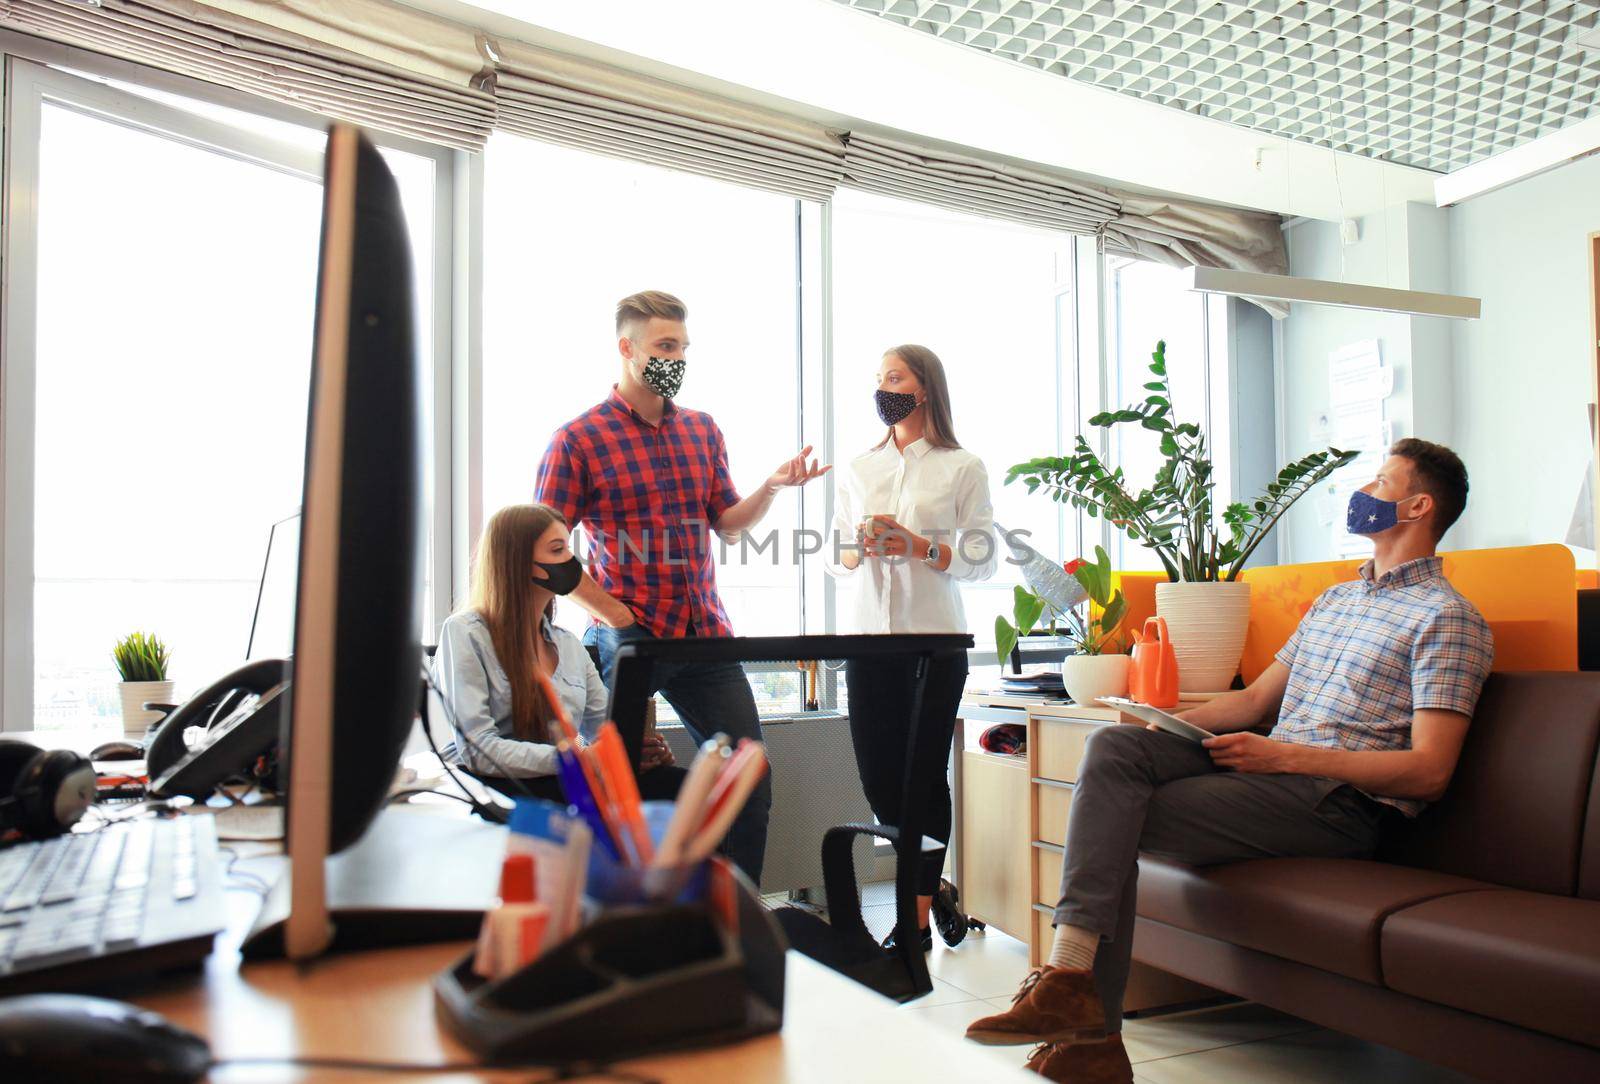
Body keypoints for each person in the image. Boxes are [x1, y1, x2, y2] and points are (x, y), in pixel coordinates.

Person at [966, 439, 1494, 1084]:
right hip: (1272, 777)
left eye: (1379, 483)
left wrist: (1285, 756)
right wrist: (1157, 725)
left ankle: (1085, 1026)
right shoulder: (1335, 601)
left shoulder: (1449, 618)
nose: (1363, 494)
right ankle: (1074, 993)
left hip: (1339, 806)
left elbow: (1429, 771)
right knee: (1114, 748)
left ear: (1417, 505)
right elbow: (1251, 703)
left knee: (1119, 814)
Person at [535, 290, 829, 882]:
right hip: (631, 638)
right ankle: (628, 918)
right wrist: (614, 615)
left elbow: (725, 522)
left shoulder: (702, 429)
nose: (677, 358)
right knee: (620, 789)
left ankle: (731, 918)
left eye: (683, 348)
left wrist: (770, 487)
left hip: (704, 635)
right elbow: (543, 548)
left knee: (748, 778)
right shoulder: (578, 439)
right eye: (665, 346)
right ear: (627, 348)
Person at [825, 344, 996, 952]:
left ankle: (914, 920)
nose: (883, 387)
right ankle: (934, 887)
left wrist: (919, 546)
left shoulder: (962, 466)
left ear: (924, 389)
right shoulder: (858, 469)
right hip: (867, 641)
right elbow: (836, 558)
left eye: (894, 377)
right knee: (879, 781)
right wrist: (861, 548)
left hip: (935, 641)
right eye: (877, 378)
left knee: (922, 780)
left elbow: (981, 557)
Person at [432, 503, 683, 800]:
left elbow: (605, 730)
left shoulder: (568, 645)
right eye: (556, 550)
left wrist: (636, 750)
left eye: (567, 548)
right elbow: (478, 749)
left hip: (558, 779)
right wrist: (576, 759)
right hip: (488, 785)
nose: (570, 560)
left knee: (677, 784)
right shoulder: (465, 632)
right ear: (517, 561)